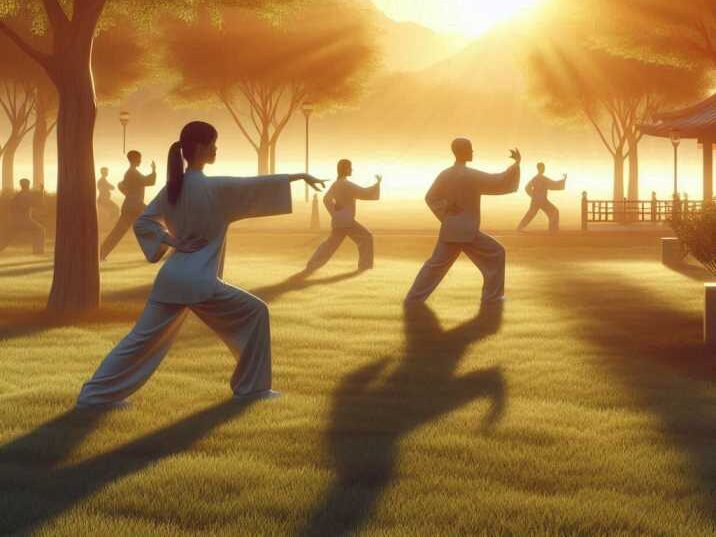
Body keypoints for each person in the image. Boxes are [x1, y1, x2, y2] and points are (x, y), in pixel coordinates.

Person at [76, 121, 326, 408]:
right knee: (257, 313)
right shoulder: (215, 188)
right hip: (199, 283)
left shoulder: (173, 187)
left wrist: (171, 241)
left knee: (138, 341)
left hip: (171, 279)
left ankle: (92, 396)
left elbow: (144, 221)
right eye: (213, 144)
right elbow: (253, 186)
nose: (216, 148)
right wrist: (298, 176)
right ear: (201, 148)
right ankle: (253, 389)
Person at [405, 138, 520, 305]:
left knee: (434, 266)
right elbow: (498, 181)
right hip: (468, 231)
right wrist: (516, 164)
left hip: (450, 229)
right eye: (470, 149)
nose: (472, 152)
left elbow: (430, 197)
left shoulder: (445, 174)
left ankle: (413, 298)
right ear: (463, 151)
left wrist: (446, 210)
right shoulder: (471, 175)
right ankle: (492, 297)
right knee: (497, 253)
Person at [305, 159, 381, 272]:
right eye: (350, 167)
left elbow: (326, 199)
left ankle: (312, 264)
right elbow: (364, 193)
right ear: (346, 169)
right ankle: (365, 265)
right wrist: (377, 184)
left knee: (330, 244)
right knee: (366, 237)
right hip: (347, 221)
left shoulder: (337, 184)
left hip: (340, 221)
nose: (352, 170)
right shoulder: (346, 184)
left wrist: (335, 213)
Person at [99, 150, 157, 260]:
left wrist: (128, 193)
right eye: (139, 158)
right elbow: (148, 181)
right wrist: (153, 170)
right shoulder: (132, 172)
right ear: (135, 159)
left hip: (132, 206)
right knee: (155, 221)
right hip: (134, 207)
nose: (140, 160)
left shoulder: (131, 172)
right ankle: (101, 253)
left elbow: (121, 185)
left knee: (120, 232)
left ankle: (101, 253)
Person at [516, 162, 566, 233]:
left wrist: (533, 195)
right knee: (554, 211)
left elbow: (527, 188)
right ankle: (553, 229)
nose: (543, 169)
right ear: (540, 168)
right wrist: (563, 180)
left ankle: (519, 227)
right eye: (542, 168)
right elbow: (553, 184)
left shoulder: (535, 178)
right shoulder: (543, 179)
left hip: (537, 200)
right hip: (542, 200)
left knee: (531, 213)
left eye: (544, 168)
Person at [0, 178, 45, 255]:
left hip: (14, 221)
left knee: (8, 238)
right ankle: (38, 251)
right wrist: (41, 191)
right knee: (40, 230)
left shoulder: (17, 195)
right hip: (25, 220)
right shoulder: (28, 195)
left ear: (21, 185)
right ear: (28, 185)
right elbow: (38, 204)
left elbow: (11, 206)